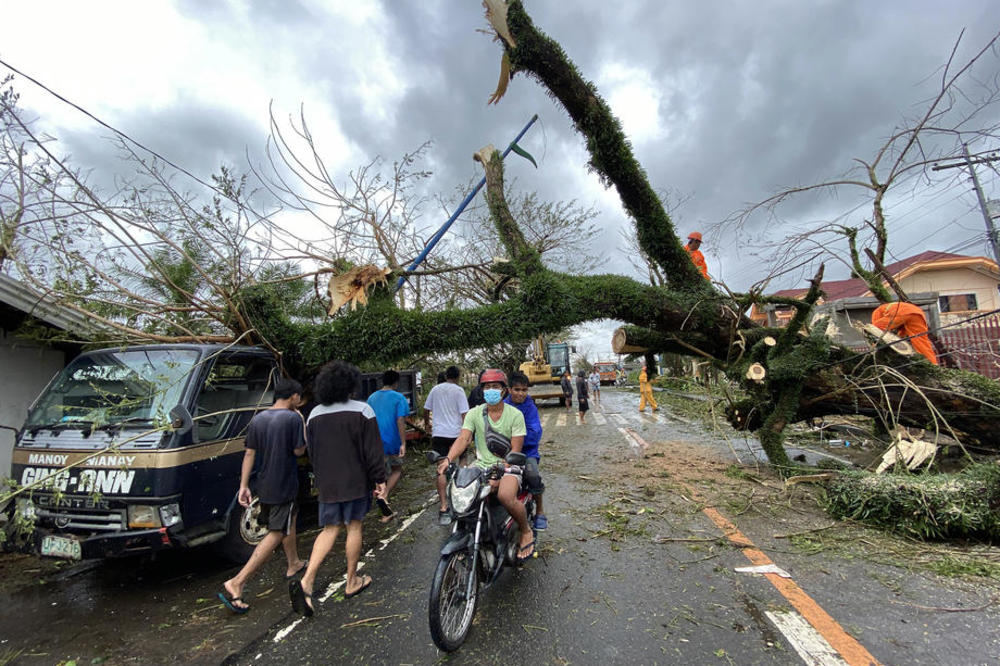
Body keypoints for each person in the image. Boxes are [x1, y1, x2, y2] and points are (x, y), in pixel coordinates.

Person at [289, 361, 387, 617]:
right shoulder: (363, 410)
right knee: (354, 526)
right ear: (350, 384)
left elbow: (312, 451)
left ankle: (307, 581)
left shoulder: (315, 414)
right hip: (355, 481)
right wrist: (380, 479)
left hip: (327, 483)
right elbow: (372, 451)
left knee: (330, 529)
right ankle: (352, 580)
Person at [219, 378, 307, 615]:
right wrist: (301, 421)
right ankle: (238, 581)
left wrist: (244, 485)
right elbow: (300, 450)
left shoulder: (258, 418)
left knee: (289, 520)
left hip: (264, 483)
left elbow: (249, 453)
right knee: (277, 532)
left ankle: (293, 563)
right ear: (293, 397)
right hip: (284, 484)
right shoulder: (292, 418)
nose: (300, 400)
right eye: (299, 396)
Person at [437, 369, 535, 563]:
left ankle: (525, 530)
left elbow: (516, 450)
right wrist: (448, 459)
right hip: (481, 465)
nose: (491, 390)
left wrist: (500, 471)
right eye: (487, 387)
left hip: (508, 465)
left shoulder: (515, 415)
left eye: (495, 387)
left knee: (505, 495)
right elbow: (464, 438)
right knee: (461, 491)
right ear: (482, 391)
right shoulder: (474, 413)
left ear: (504, 390)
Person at [422, 365, 470, 525]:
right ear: (458, 377)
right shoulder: (459, 391)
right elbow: (465, 414)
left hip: (439, 434)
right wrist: (467, 433)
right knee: (463, 463)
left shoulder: (435, 390)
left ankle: (443, 506)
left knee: (441, 469)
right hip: (457, 434)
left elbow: (426, 409)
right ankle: (463, 500)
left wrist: (428, 424)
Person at [505, 372, 547, 530]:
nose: (521, 393)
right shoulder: (502, 406)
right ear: (509, 389)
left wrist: (515, 438)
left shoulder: (530, 408)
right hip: (504, 453)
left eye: (524, 390)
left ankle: (540, 511)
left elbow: (535, 434)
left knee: (533, 475)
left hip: (526, 453)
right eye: (517, 389)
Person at [366, 370, 410, 522]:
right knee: (397, 469)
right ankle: (384, 495)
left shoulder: (371, 397)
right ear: (396, 382)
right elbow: (400, 420)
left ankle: (384, 506)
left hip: (375, 441)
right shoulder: (399, 398)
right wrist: (403, 442)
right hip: (392, 441)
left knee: (380, 474)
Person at [871, 302, 939, 365]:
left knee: (876, 327)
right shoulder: (891, 308)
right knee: (921, 340)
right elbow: (901, 331)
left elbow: (876, 329)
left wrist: (874, 344)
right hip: (917, 312)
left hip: (902, 312)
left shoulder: (876, 312)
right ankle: (933, 363)